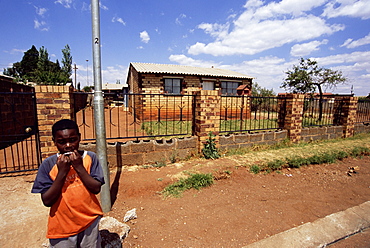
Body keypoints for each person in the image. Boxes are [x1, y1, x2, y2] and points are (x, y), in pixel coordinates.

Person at [32, 119, 105, 248]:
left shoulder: (90, 158)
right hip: (62, 227)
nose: (68, 146)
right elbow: (47, 201)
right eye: (61, 142)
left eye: (72, 140)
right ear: (54, 141)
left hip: (89, 222)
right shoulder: (48, 165)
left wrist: (79, 168)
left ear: (79, 138)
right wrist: (62, 173)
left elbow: (96, 188)